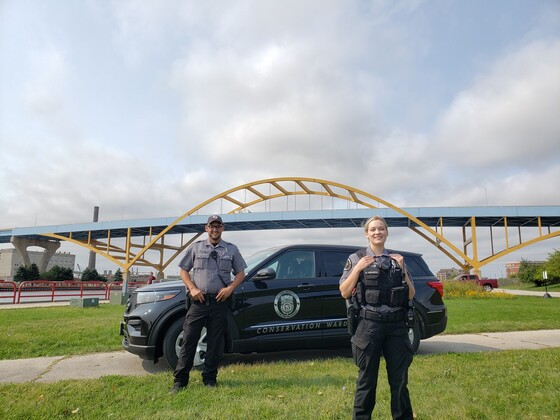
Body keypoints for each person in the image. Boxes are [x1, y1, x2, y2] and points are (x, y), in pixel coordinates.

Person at [339, 215, 416, 420]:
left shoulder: (396, 259)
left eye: (381, 229)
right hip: (369, 325)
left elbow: (411, 294)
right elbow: (345, 292)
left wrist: (403, 269)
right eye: (373, 229)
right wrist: (357, 269)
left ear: (386, 232)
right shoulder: (356, 258)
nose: (377, 232)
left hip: (396, 327)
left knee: (399, 380)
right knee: (367, 380)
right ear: (367, 234)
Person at [169, 215, 246, 393]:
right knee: (188, 341)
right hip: (199, 301)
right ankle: (180, 381)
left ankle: (210, 379)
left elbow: (241, 273)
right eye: (212, 226)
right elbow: (183, 270)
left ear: (222, 229)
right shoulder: (196, 247)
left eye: (218, 226)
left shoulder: (231, 250)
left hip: (220, 302)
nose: (215, 229)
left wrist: (231, 288)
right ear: (206, 228)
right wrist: (192, 288)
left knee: (215, 343)